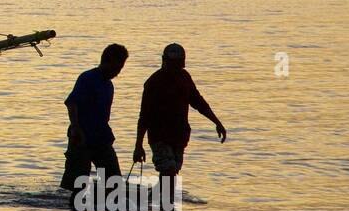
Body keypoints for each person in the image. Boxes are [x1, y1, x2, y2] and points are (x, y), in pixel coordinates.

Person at [133, 43, 227, 179]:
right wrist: (138, 146)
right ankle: (163, 199)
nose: (175, 69)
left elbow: (198, 102)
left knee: (172, 174)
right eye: (172, 65)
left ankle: (158, 198)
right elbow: (144, 116)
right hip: (159, 136)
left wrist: (217, 122)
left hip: (179, 136)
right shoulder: (153, 83)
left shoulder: (184, 78)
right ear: (163, 61)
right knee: (168, 172)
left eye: (178, 65)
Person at [60, 43, 129, 194]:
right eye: (117, 68)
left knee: (114, 182)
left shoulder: (109, 85)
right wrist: (76, 127)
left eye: (120, 69)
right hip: (81, 138)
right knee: (78, 186)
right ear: (107, 61)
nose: (118, 72)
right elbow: (72, 103)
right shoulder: (88, 78)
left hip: (101, 138)